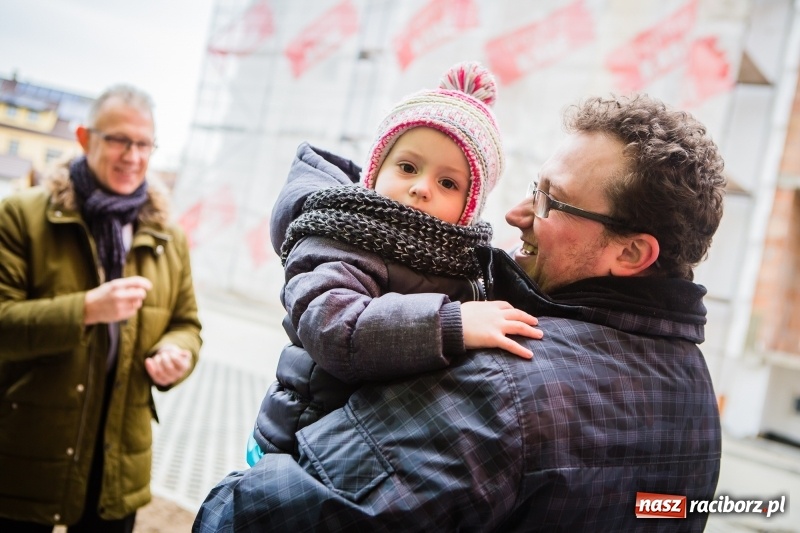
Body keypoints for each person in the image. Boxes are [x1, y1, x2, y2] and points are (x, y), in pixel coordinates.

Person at [196, 92, 724, 532]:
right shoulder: (698, 402)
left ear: (631, 253)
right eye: (531, 189)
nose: (517, 215)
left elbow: (248, 520)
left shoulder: (505, 382)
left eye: (550, 201)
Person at [246, 62, 542, 466]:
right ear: (376, 169)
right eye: (407, 167)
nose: (421, 188)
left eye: (448, 182)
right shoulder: (343, 234)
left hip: (372, 444)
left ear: (469, 207)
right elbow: (334, 326)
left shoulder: (460, 258)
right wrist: (451, 323)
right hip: (303, 443)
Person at [0, 84, 202, 532]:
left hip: (117, 453)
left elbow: (186, 323)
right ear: (84, 137)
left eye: (143, 143)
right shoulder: (21, 215)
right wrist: (86, 309)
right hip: (27, 445)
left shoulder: (170, 235)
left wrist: (176, 353)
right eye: (118, 140)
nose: (132, 155)